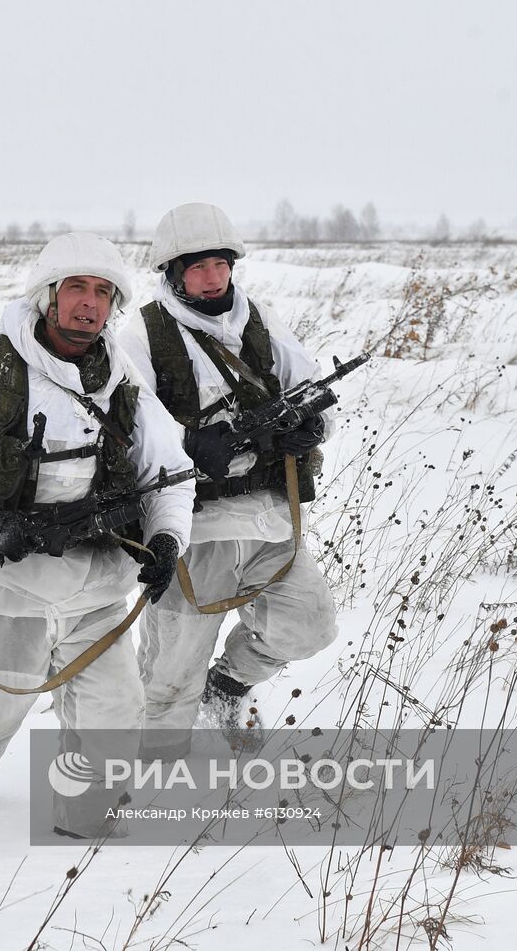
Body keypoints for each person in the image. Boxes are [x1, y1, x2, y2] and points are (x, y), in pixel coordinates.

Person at [0, 232, 194, 836]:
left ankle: (89, 830)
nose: (90, 304)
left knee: (116, 709)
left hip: (98, 582)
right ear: (48, 296)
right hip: (7, 584)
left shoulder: (122, 376)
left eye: (104, 292)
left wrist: (165, 539)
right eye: (77, 288)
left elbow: (167, 467)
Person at [118, 203, 339, 750]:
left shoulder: (258, 320)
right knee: (171, 670)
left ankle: (230, 683)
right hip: (195, 527)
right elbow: (126, 424)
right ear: (173, 272)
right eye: (198, 267)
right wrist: (189, 445)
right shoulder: (142, 334)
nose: (212, 277)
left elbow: (312, 390)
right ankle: (155, 777)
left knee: (309, 623)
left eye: (220, 263)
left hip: (269, 519)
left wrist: (308, 429)